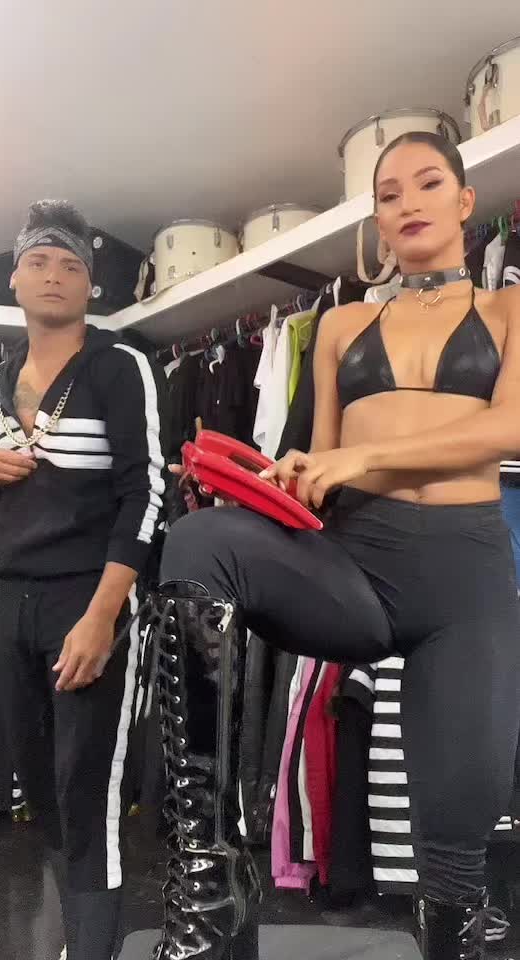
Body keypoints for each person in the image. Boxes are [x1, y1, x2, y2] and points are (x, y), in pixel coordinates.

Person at [151, 132, 520, 960]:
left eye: (429, 183)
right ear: (377, 222)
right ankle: (208, 876)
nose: (408, 202)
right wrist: (282, 480)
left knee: (457, 836)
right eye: (389, 194)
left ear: (465, 202)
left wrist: (364, 456)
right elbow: (322, 469)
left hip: (465, 579)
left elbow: (511, 425)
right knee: (202, 541)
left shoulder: (509, 310)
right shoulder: (340, 324)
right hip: (357, 563)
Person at [0, 200, 164, 960]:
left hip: (89, 597)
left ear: (91, 286)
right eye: (38, 262)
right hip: (13, 603)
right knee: (38, 789)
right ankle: (78, 940)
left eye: (70, 265)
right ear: (14, 279)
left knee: (87, 791)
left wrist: (103, 614)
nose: (53, 275)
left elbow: (146, 492)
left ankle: (92, 950)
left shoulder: (117, 366)